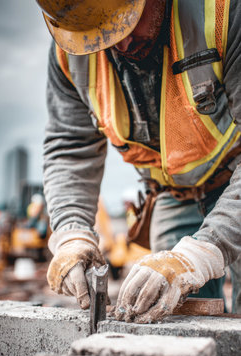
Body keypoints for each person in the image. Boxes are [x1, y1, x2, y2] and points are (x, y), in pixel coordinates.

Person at [36, 0, 241, 322]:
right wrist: (71, 232)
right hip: (173, 195)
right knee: (174, 321)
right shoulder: (72, 48)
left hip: (235, 182)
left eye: (126, 23)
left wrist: (205, 250)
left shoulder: (224, 14)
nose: (121, 43)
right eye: (100, 34)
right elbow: (71, 146)